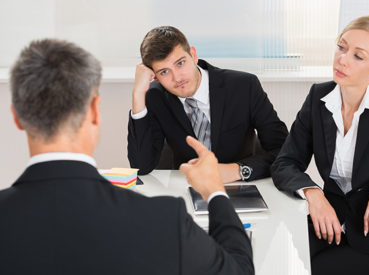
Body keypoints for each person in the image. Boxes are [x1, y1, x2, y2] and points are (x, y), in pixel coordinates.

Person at [0, 39, 253, 275]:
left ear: (17, 118)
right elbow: (238, 269)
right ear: (95, 112)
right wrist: (215, 194)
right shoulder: (163, 220)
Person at [271, 16, 369, 275]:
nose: (342, 59)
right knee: (273, 261)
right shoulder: (318, 98)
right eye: (341, 47)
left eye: (358, 56)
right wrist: (313, 193)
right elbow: (285, 162)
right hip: (325, 226)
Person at [127, 26, 288, 183]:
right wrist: (138, 95)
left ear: (193, 55)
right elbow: (141, 166)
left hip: (239, 185)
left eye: (180, 63)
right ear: (154, 76)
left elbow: (283, 152)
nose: (177, 78)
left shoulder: (244, 87)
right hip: (186, 188)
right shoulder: (155, 97)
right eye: (164, 72)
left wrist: (238, 170)